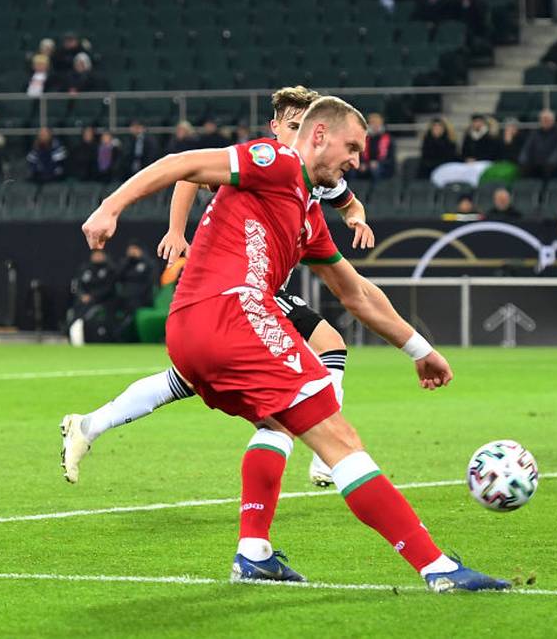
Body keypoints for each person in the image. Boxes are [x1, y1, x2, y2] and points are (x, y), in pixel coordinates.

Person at [78, 95, 508, 591]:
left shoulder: (306, 214)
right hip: (231, 313)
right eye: (351, 147)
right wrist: (110, 209)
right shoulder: (276, 161)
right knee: (339, 439)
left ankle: (254, 552)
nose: (356, 161)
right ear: (319, 134)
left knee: (277, 424)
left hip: (196, 330)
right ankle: (438, 568)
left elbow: (357, 294)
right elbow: (183, 163)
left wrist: (420, 350)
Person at [65, 87, 375, 492]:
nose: (298, 133)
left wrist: (356, 218)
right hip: (237, 288)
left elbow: (346, 200)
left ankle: (89, 424)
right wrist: (176, 230)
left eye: (306, 125)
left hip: (263, 291)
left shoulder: (316, 170)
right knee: (303, 375)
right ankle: (325, 459)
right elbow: (186, 173)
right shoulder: (263, 158)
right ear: (275, 126)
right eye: (292, 125)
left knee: (190, 381)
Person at [519, 109, 557, 179]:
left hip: (551, 165)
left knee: (549, 168)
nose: (545, 121)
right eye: (543, 119)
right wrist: (523, 160)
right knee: (525, 168)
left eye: (547, 119)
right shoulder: (534, 133)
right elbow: (527, 148)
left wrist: (550, 163)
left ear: (552, 120)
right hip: (534, 163)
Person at [115, 241, 157, 316]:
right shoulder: (125, 263)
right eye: (130, 249)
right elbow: (117, 277)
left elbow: (151, 280)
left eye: (135, 249)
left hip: (143, 296)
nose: (132, 252)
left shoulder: (148, 263)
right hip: (126, 296)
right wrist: (128, 261)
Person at [355, 112, 395, 180]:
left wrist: (378, 163)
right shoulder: (364, 138)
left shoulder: (388, 138)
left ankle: (377, 189)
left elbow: (391, 159)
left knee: (375, 169)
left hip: (383, 166)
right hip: (367, 165)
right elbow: (359, 154)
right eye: (372, 123)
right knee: (352, 170)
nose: (375, 125)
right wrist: (362, 163)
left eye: (377, 123)